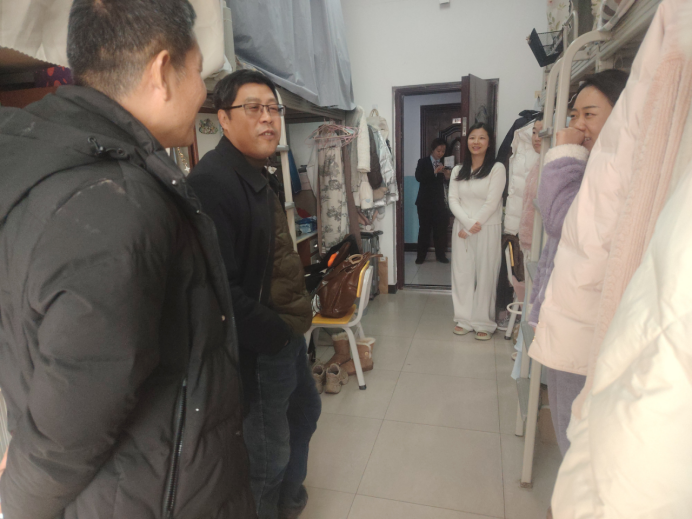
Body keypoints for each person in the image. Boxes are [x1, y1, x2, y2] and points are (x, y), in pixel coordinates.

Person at [0, 1, 256, 518]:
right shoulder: (116, 201)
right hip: (152, 499)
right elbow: (68, 427)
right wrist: (16, 502)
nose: (203, 92)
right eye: (198, 72)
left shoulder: (41, 156)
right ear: (161, 72)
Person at [187, 70, 320, 519]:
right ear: (223, 119)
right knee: (266, 457)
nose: (268, 118)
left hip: (283, 334)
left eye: (272, 108)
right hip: (262, 345)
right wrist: (277, 335)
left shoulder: (256, 171)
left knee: (305, 412)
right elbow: (219, 291)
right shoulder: (213, 183)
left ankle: (288, 501)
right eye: (253, 108)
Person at [527, 69, 629, 456]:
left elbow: (558, 217)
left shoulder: (615, 169)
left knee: (577, 435)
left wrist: (563, 156)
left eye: (589, 114)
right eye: (574, 115)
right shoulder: (596, 164)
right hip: (574, 314)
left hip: (585, 319)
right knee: (571, 426)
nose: (578, 125)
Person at [449, 123, 506, 341]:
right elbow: (453, 200)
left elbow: (492, 202)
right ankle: (463, 319)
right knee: (462, 274)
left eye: (482, 138)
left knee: (486, 274)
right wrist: (466, 224)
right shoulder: (458, 170)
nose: (476, 142)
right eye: (473, 137)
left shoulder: (497, 168)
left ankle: (484, 322)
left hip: (487, 228)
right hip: (462, 230)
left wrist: (472, 226)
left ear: (489, 142)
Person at [414, 138, 452, 264]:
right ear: (432, 150)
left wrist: (447, 176)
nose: (440, 153)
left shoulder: (445, 164)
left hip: (440, 202)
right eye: (438, 151)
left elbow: (448, 183)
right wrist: (434, 172)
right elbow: (419, 177)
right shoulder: (423, 162)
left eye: (443, 151)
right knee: (424, 230)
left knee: (440, 230)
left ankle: (441, 256)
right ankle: (421, 257)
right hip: (424, 203)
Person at [518, 113, 544, 256]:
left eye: (542, 132)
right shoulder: (537, 164)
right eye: (534, 132)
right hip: (530, 241)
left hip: (543, 243)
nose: (536, 138)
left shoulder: (554, 165)